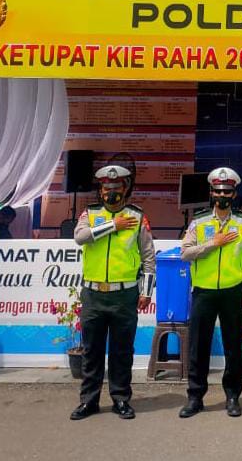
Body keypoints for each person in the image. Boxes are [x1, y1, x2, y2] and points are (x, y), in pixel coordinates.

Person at [69, 165, 154, 421]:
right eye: (106, 189)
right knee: (91, 351)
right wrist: (112, 225)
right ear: (101, 190)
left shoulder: (138, 217)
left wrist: (146, 292)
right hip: (94, 294)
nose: (111, 193)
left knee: (122, 352)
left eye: (116, 189)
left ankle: (121, 399)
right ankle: (89, 401)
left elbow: (149, 258)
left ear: (125, 189)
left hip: (124, 294)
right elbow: (80, 237)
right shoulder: (90, 213)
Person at [179, 166, 242, 418]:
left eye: (227, 191)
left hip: (232, 293)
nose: (222, 195)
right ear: (211, 193)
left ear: (234, 194)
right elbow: (185, 253)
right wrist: (212, 244)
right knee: (198, 347)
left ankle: (233, 396)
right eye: (218, 191)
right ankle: (195, 397)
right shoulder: (199, 221)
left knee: (233, 347)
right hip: (203, 292)